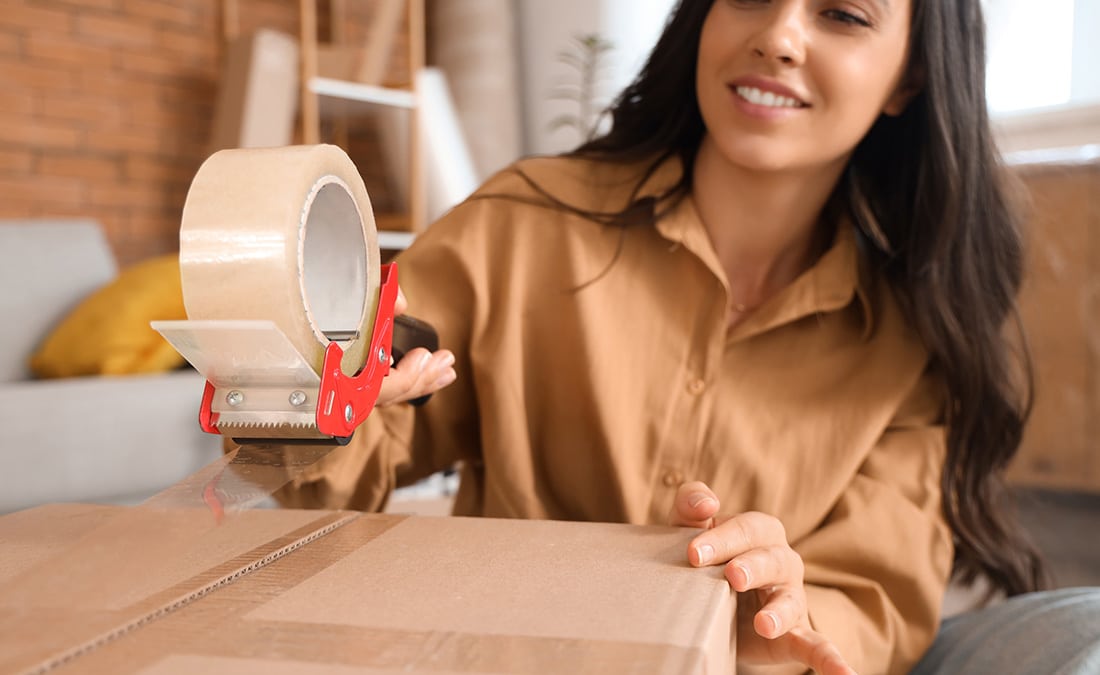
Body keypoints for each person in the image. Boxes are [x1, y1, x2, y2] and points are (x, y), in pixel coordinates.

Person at [264, 0, 1100, 673]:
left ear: (909, 77)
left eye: (842, 15)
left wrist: (786, 627)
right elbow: (319, 472)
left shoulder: (915, 334)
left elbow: (877, 594)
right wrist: (308, 397)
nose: (777, 34)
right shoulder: (524, 225)